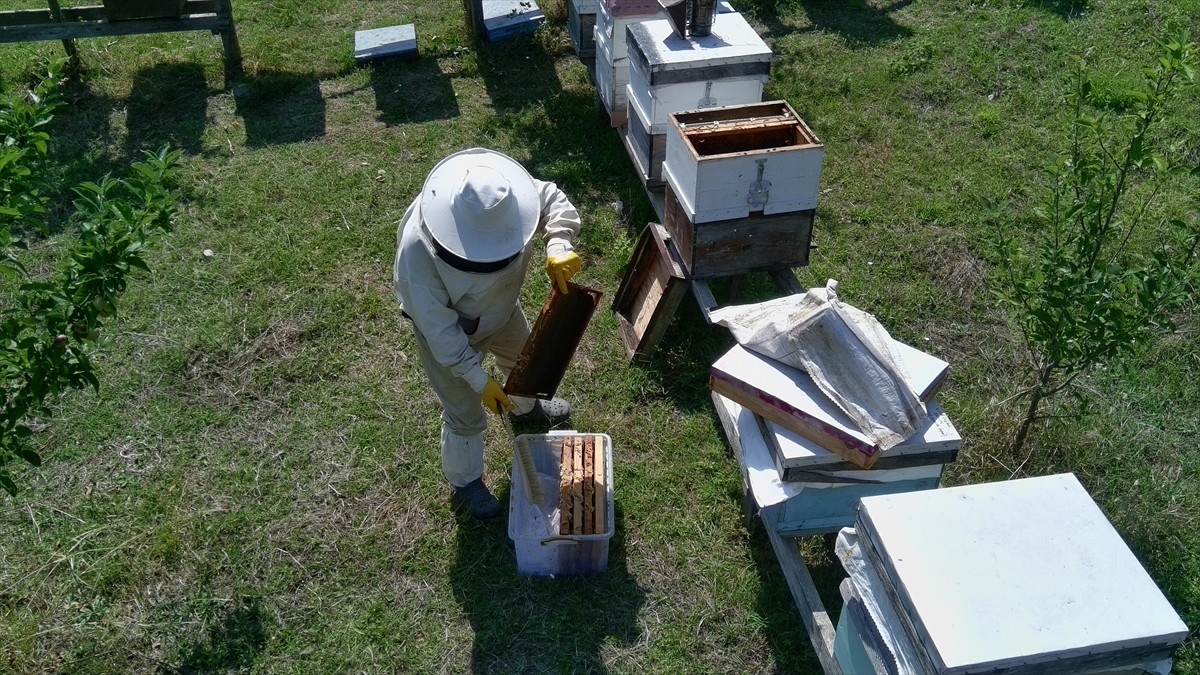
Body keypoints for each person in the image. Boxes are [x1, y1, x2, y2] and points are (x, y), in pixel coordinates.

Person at [393, 148, 583, 520]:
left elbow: (551, 197)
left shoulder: (506, 190)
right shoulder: (417, 254)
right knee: (463, 409)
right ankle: (466, 482)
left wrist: (559, 240)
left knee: (523, 356)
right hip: (450, 332)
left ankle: (526, 409)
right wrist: (479, 380)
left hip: (501, 307)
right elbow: (440, 332)